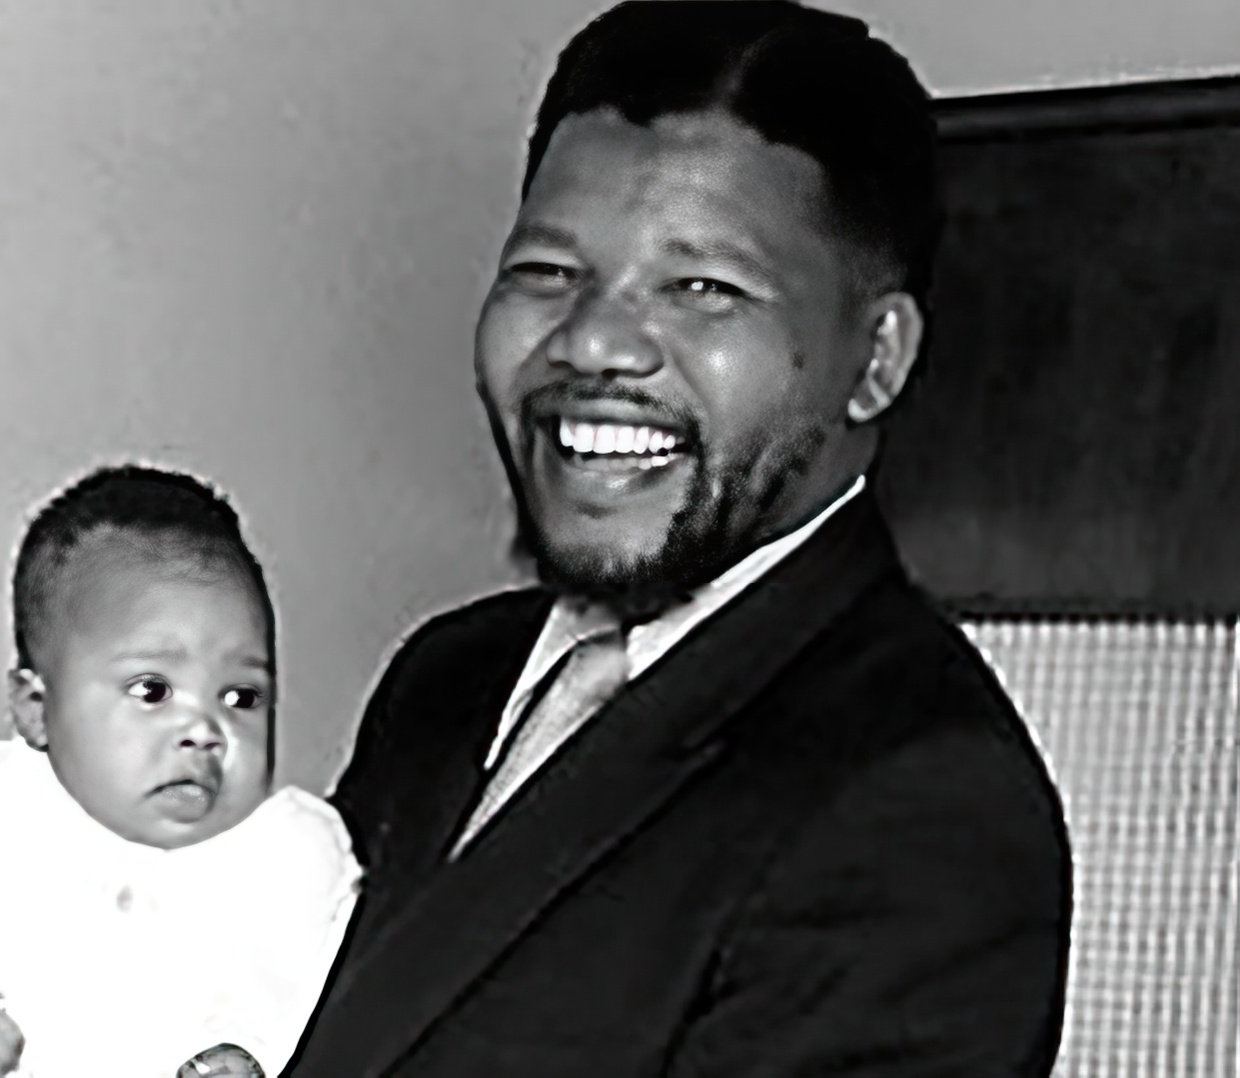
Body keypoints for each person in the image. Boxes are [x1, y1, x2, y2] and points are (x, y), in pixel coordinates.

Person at [284, 3, 1072, 1075]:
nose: (595, 340)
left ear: (876, 358)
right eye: (548, 274)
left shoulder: (922, 812)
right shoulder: (446, 677)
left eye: (701, 288)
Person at [0, 466, 360, 1078]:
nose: (204, 730)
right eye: (153, 690)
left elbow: (310, 979)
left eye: (241, 697)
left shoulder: (294, 844)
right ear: (37, 710)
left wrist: (251, 1049)